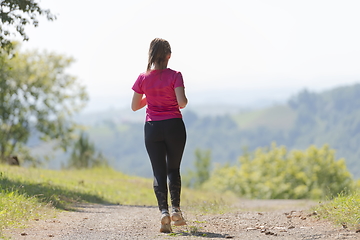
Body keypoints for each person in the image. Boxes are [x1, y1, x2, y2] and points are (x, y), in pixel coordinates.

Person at [131, 38, 188, 233]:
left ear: (151, 56)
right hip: (174, 126)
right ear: (169, 56)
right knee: (173, 169)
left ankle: (163, 213)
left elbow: (134, 106)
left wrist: (152, 94)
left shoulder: (142, 78)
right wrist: (173, 94)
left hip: (152, 128)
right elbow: (182, 103)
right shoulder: (176, 75)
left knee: (158, 172)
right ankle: (176, 211)